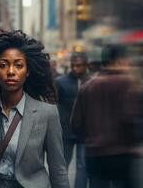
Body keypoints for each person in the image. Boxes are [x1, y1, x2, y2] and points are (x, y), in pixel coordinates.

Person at [0, 29, 69, 188]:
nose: (11, 72)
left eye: (18, 65)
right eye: (3, 65)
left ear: (28, 71)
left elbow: (58, 169)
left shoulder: (47, 113)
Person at [71, 45, 140, 188]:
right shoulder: (128, 84)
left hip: (94, 154)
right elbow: (130, 119)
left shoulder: (87, 86)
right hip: (121, 154)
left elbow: (76, 123)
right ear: (120, 61)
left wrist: (89, 139)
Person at [55, 53, 90, 188]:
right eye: (73, 65)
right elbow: (54, 104)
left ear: (85, 65)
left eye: (79, 65)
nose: (75, 68)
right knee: (63, 165)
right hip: (66, 130)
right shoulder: (60, 82)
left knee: (82, 166)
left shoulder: (91, 82)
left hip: (84, 131)